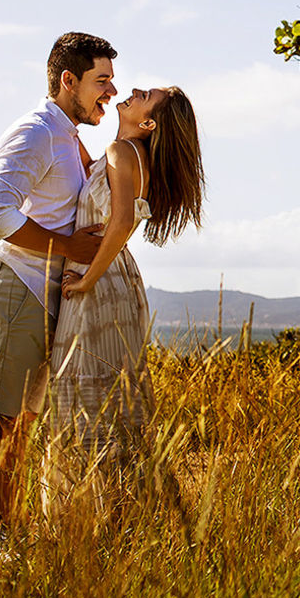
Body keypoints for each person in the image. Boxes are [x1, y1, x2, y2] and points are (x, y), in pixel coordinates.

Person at [0, 32, 115, 561]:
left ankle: (9, 532)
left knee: (21, 424)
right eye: (102, 80)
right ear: (68, 80)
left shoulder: (67, 137)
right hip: (14, 286)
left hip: (42, 294)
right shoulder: (35, 132)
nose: (111, 92)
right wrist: (69, 246)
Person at [42, 83, 205, 525]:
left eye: (146, 95)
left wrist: (86, 279)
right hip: (118, 281)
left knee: (82, 399)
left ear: (148, 123)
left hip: (99, 279)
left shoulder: (121, 152)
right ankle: (128, 516)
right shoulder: (130, 156)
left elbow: (122, 220)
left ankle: (84, 520)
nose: (133, 90)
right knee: (110, 404)